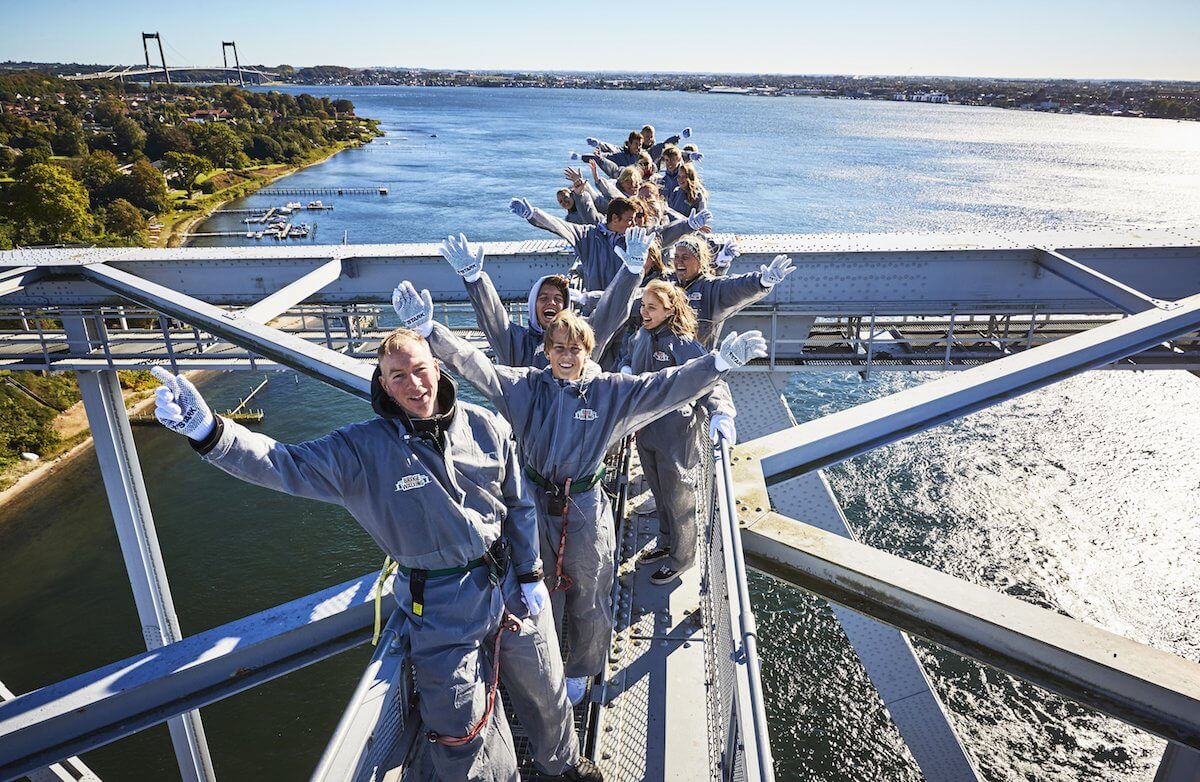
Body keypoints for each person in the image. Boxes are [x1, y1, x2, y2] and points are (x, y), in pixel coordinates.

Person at [148, 341, 602, 782]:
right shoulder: (362, 451)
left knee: (546, 683)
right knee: (460, 726)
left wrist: (530, 572)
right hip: (440, 605)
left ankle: (561, 765)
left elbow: (519, 504)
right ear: (383, 385)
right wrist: (211, 432)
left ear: (439, 369)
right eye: (398, 376)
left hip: (508, 585)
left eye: (420, 369)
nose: (414, 384)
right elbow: (283, 463)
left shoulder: (486, 426)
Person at [390, 271, 768, 709]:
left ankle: (581, 670)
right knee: (537, 591)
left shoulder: (608, 392)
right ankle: (541, 663)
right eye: (559, 348)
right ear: (546, 352)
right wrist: (430, 332)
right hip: (531, 506)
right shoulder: (526, 386)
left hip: (585, 508)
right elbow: (477, 366)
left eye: (575, 349)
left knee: (590, 593)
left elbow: (665, 386)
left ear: (589, 352)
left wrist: (717, 364)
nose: (567, 356)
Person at [626, 280, 736, 584]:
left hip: (675, 434)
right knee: (660, 493)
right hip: (646, 430)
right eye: (643, 305)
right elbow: (628, 357)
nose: (644, 312)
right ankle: (665, 542)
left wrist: (721, 412)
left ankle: (682, 558)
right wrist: (624, 370)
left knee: (679, 501)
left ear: (669, 309)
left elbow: (711, 379)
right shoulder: (642, 336)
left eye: (651, 307)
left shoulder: (682, 342)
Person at [438, 231, 640, 370]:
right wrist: (474, 280)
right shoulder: (517, 343)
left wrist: (631, 273)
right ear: (533, 304)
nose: (551, 303)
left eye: (558, 299)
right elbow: (493, 318)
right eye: (543, 298)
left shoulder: (583, 335)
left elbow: (611, 309)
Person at [510, 194, 711, 292]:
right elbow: (558, 225)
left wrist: (689, 225)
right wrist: (533, 215)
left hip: (627, 310)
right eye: (630, 219)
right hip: (596, 308)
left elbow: (663, 233)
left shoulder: (636, 238)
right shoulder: (587, 236)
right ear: (614, 219)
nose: (635, 224)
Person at [668, 234, 795, 349]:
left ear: (700, 261)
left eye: (685, 257)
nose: (679, 261)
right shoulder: (666, 282)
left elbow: (736, 286)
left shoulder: (711, 289)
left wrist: (762, 281)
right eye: (676, 257)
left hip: (693, 364)